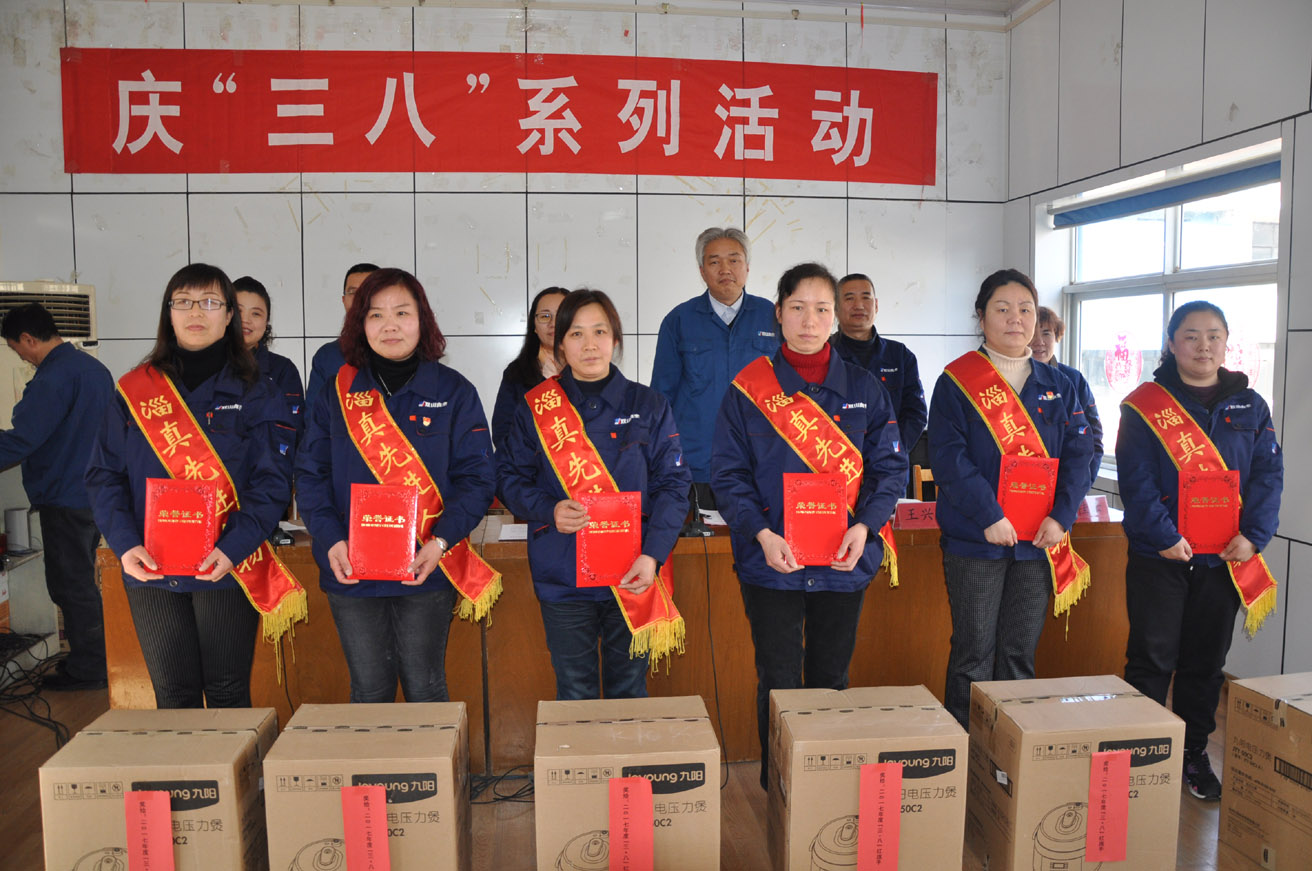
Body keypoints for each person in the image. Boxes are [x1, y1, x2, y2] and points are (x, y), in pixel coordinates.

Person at [711, 262, 906, 789]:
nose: (810, 320)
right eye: (798, 307)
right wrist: (762, 533)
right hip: (772, 561)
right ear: (778, 314)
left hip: (843, 561)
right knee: (777, 680)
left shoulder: (865, 387)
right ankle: (779, 793)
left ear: (835, 315)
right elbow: (727, 475)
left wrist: (865, 527)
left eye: (822, 309)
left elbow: (890, 469)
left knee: (830, 680)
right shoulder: (748, 390)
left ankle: (824, 790)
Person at [85, 264, 303, 708]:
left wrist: (234, 547)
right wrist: (125, 544)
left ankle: (234, 761)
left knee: (227, 691)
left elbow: (272, 481)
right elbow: (103, 474)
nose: (196, 312)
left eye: (210, 302)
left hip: (225, 562)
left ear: (229, 316)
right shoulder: (135, 389)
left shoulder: (258, 390)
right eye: (183, 302)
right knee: (173, 694)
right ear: (168, 313)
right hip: (150, 564)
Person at [296, 268, 498, 703]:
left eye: (402, 313)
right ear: (360, 324)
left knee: (426, 686)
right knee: (369, 690)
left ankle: (433, 757)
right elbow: (310, 474)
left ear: (422, 320)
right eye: (376, 314)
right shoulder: (335, 392)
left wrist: (441, 541)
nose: (389, 325)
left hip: (426, 564)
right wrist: (331, 539)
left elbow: (478, 478)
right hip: (350, 566)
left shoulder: (454, 391)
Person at [1117, 300, 1282, 801]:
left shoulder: (1251, 406)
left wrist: (1254, 535)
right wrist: (1164, 536)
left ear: (1226, 343)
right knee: (1151, 658)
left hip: (1223, 559)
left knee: (1205, 662)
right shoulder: (1144, 405)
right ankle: (1140, 753)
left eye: (1214, 336)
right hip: (1160, 556)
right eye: (1191, 336)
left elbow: (1268, 476)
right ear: (1172, 344)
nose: (1203, 346)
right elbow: (1136, 481)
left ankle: (1192, 753)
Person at [498, 289, 690, 700]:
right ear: (560, 344)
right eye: (576, 334)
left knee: (629, 689)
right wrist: (548, 509)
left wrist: (652, 554)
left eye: (599, 331)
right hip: (563, 574)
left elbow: (674, 486)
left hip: (634, 571)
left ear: (615, 340)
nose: (589, 344)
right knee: (574, 690)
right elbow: (509, 478)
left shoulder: (649, 404)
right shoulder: (535, 408)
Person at [928, 268, 1093, 728]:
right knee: (973, 653)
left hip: (1039, 541)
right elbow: (948, 457)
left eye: (1025, 309)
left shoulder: (1060, 384)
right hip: (976, 539)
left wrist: (1062, 517)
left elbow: (1080, 454)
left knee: (1019, 652)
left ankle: (1009, 751)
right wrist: (989, 515)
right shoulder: (956, 382)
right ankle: (969, 748)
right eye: (1002, 309)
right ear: (981, 317)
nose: (1015, 318)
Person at [0, 303, 114, 690]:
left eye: (17, 349)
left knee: (70, 585)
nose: (22, 357)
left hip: (65, 496)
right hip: (93, 493)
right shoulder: (93, 370)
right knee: (80, 581)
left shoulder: (52, 379)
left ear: (28, 338)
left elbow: (23, 439)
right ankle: (91, 659)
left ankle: (90, 668)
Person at [651, 228, 778, 509]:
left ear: (747, 267)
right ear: (702, 270)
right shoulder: (678, 321)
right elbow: (661, 398)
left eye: (734, 260)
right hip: (697, 464)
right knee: (701, 537)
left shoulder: (773, 317)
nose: (725, 269)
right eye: (714, 261)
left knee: (759, 535)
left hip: (761, 462)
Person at [830, 273, 927, 454]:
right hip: (836, 461)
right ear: (835, 308)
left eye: (866, 297)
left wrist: (892, 452)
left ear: (876, 305)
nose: (859, 305)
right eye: (849, 298)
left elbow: (916, 413)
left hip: (889, 463)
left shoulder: (900, 355)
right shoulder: (825, 354)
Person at [490, 286, 568, 453]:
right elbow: (502, 434)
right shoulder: (517, 373)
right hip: (528, 466)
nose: (553, 324)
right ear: (534, 325)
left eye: (561, 315)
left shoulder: (590, 370)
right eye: (545, 316)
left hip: (584, 467)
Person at [1031, 306, 1104, 482]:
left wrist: (1082, 483)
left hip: (1067, 483)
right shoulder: (1011, 378)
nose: (1039, 341)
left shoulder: (1073, 379)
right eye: (1032, 334)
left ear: (1057, 337)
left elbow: (1093, 435)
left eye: (1046, 333)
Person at [235, 276, 306, 441]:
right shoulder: (209, 364)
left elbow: (294, 432)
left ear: (267, 321)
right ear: (225, 315)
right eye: (238, 311)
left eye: (256, 314)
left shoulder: (283, 370)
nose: (245, 320)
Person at [305, 263, 378, 410]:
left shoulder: (402, 350)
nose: (359, 299)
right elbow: (313, 417)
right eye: (353, 292)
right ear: (344, 300)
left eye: (368, 291)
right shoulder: (327, 356)